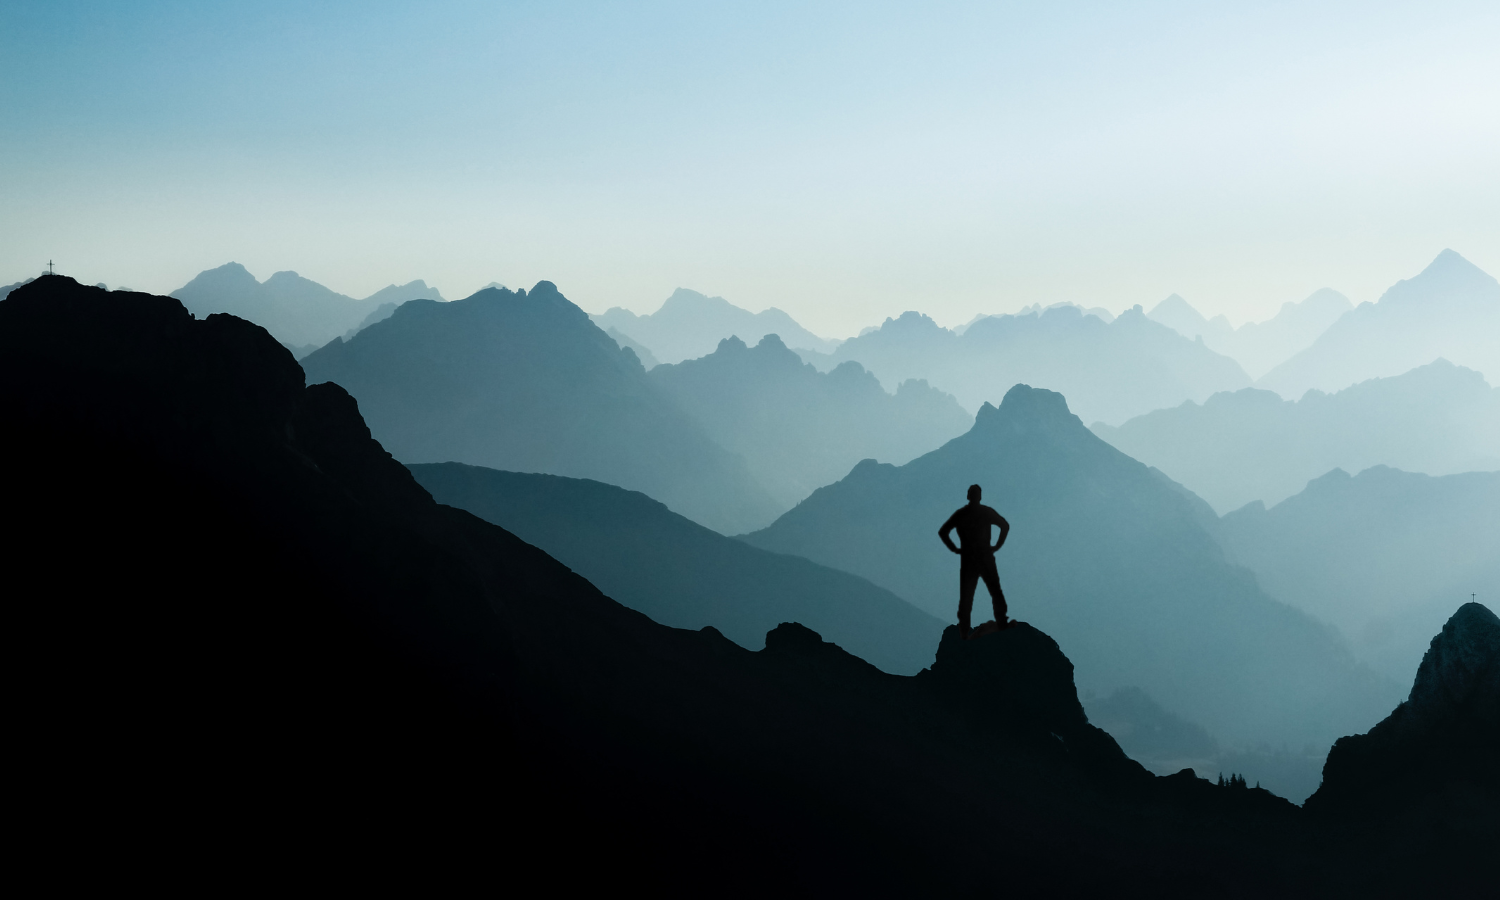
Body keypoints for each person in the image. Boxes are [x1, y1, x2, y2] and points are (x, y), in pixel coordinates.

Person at [938, 484, 1010, 639]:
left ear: (968, 496)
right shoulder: (986, 512)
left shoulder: (961, 514)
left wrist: (955, 549)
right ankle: (1002, 623)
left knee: (967, 596)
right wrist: (997, 546)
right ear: (980, 496)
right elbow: (1004, 526)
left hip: (968, 558)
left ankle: (964, 633)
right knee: (995, 590)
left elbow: (943, 532)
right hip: (985, 556)